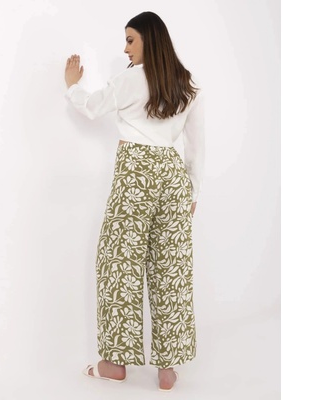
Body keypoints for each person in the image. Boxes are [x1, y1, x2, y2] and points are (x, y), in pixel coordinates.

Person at [64, 11, 204, 392]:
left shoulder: (129, 80)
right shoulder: (186, 83)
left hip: (135, 175)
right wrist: (193, 190)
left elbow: (92, 107)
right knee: (170, 269)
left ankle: (115, 363)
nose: (125, 48)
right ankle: (167, 369)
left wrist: (72, 86)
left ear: (149, 40)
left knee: (118, 264)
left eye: (130, 40)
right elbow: (196, 144)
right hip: (173, 177)